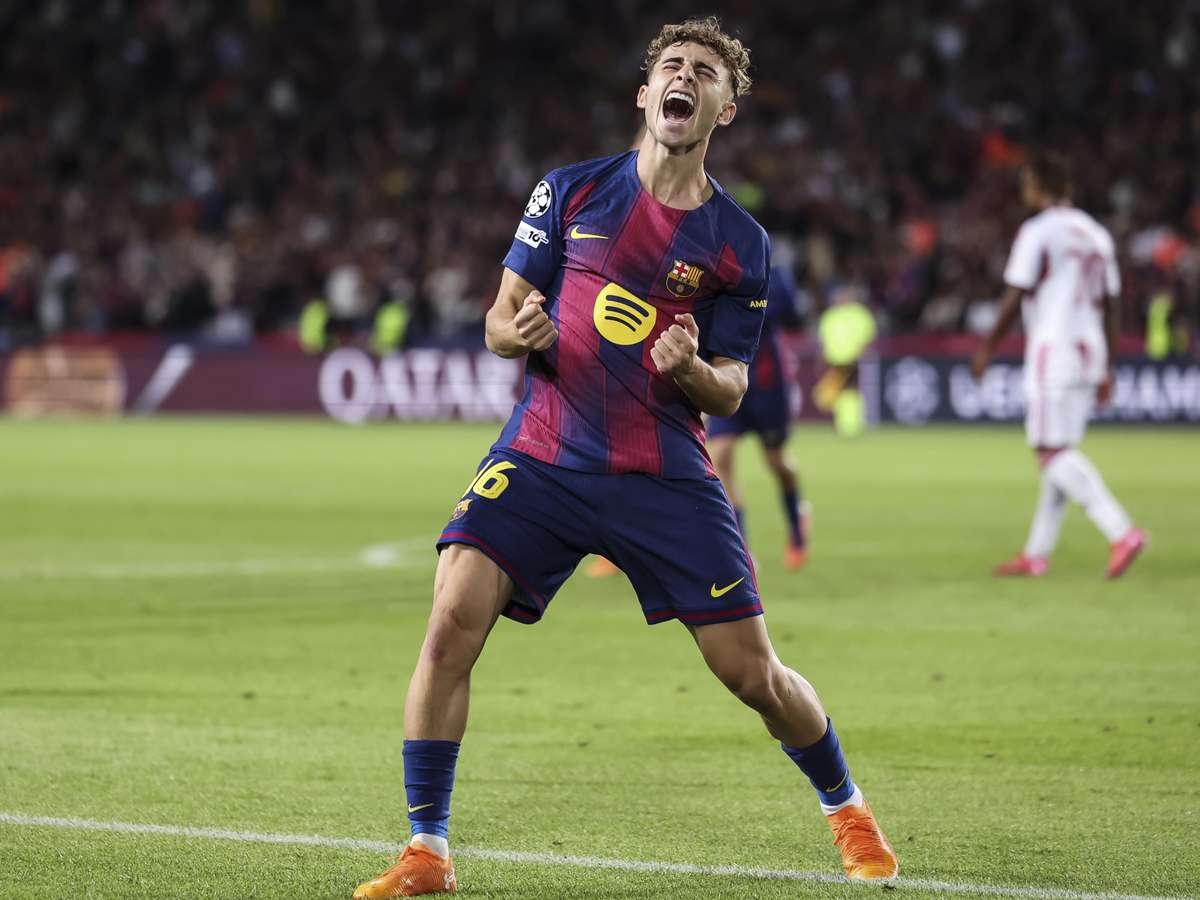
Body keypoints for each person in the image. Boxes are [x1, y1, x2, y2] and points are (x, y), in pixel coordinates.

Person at [353, 18, 898, 898]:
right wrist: (518, 332)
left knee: (752, 674)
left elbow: (732, 386)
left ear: (724, 108)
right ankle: (427, 851)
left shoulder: (739, 243)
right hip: (544, 452)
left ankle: (849, 809)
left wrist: (691, 371)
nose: (685, 77)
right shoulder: (570, 191)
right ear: (646, 94)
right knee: (451, 617)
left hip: (662, 472)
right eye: (671, 66)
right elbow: (499, 318)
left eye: (706, 72)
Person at [971, 151, 1146, 579]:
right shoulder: (1096, 233)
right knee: (1059, 451)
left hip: (1054, 349)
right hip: (1090, 349)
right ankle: (1037, 554)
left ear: (1037, 186)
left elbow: (1015, 294)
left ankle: (1121, 531)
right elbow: (1112, 305)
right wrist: (1109, 365)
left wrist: (987, 347)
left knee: (1049, 451)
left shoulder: (1038, 231)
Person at [707, 263, 812, 570]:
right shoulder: (711, 263)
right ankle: (742, 549)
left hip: (767, 383)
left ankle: (797, 522)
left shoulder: (773, 272)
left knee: (776, 462)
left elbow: (792, 317)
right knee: (720, 456)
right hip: (726, 373)